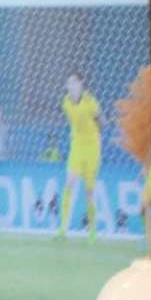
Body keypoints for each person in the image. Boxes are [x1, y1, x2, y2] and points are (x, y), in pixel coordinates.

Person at [60, 73, 109, 234]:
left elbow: (103, 122)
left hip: (92, 147)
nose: (71, 85)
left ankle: (92, 229)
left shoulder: (90, 101)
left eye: (74, 82)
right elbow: (74, 121)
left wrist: (97, 135)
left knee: (89, 191)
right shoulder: (65, 103)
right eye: (69, 83)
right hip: (77, 146)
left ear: (81, 84)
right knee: (69, 182)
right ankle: (62, 228)